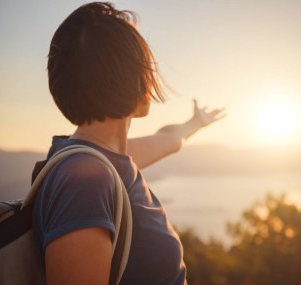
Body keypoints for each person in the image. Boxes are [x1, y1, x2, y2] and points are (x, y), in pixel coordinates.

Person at [32, 2, 224, 285]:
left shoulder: (107, 159)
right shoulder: (85, 181)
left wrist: (196, 122)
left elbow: (169, 139)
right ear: (128, 75)